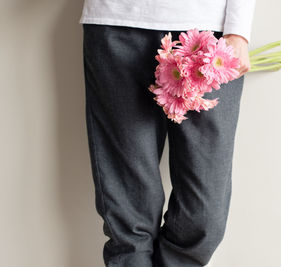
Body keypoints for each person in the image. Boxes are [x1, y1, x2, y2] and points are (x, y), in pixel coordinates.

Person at [79, 0, 256, 266]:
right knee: (128, 211)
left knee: (204, 215)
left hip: (212, 36)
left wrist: (238, 31)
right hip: (116, 24)